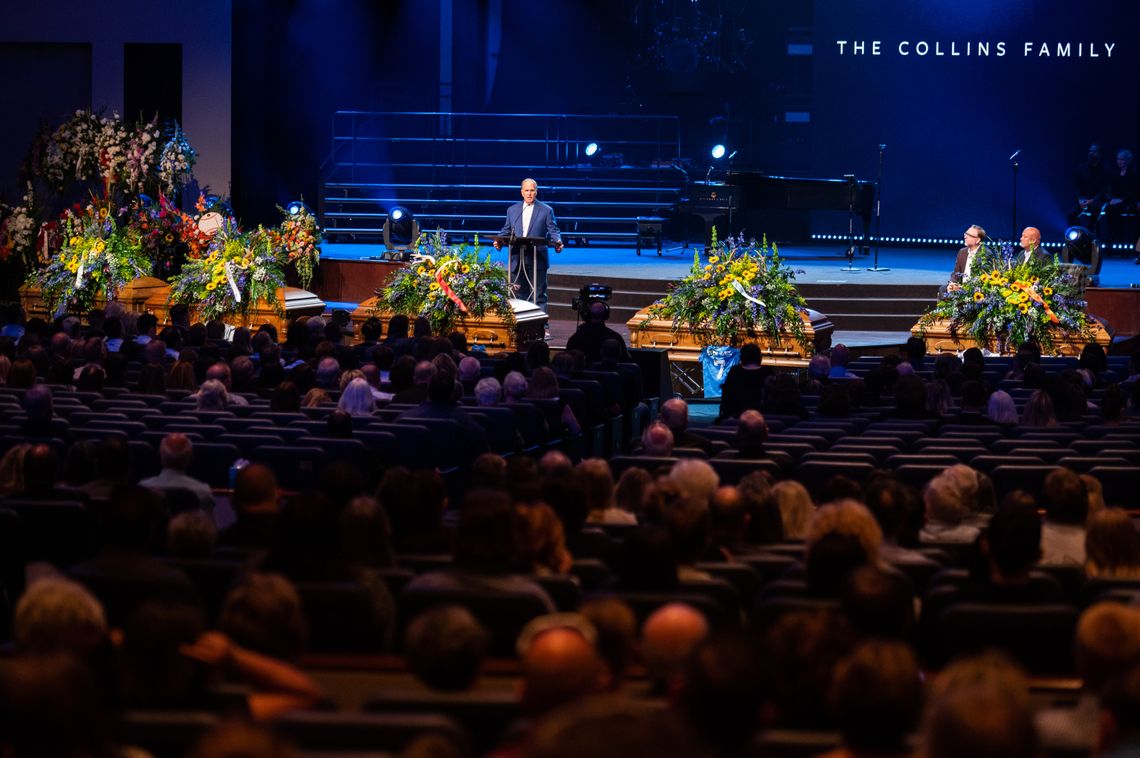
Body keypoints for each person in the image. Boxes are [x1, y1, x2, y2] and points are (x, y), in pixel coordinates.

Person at [493, 178, 563, 312]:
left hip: (537, 257)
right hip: (517, 257)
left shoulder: (546, 210)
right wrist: (499, 241)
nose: (529, 193)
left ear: (536, 192)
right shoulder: (512, 210)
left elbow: (553, 230)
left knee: (538, 294)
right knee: (519, 294)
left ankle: (542, 327)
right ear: (522, 192)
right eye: (526, 190)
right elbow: (506, 230)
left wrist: (558, 242)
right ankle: (521, 325)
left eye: (532, 190)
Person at [1072, 143, 1110, 228]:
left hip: (1098, 200)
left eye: (1094, 151)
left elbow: (1104, 189)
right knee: (1072, 212)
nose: (1091, 153)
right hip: (1084, 199)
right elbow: (1077, 186)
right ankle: (1074, 235)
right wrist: (1080, 198)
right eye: (1090, 151)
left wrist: (1092, 200)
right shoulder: (1082, 168)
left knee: (1095, 209)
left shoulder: (1105, 170)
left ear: (1100, 154)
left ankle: (1090, 234)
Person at [946, 225, 990, 294]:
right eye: (966, 233)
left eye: (969, 235)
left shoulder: (985, 254)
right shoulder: (962, 252)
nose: (965, 236)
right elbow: (956, 272)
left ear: (977, 240)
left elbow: (987, 278)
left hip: (976, 290)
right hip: (961, 287)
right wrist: (952, 283)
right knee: (943, 289)